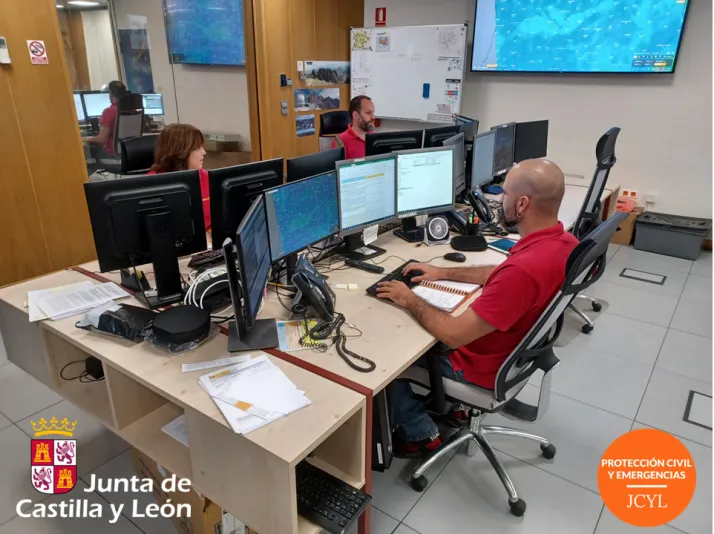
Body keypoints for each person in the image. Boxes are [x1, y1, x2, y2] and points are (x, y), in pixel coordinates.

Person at [376, 159, 579, 457]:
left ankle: (420, 433)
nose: (499, 200)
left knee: (386, 358)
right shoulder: (565, 243)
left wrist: (409, 298)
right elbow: (500, 274)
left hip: (477, 365)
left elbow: (453, 334)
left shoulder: (523, 271)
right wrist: (442, 272)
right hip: (513, 357)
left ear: (522, 204)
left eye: (505, 193)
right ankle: (454, 410)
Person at [147, 123, 211, 231]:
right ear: (181, 152)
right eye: (197, 148)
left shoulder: (207, 178)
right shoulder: (151, 185)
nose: (204, 152)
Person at [84, 81, 128, 158]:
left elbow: (101, 139)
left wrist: (83, 138)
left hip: (113, 153)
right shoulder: (130, 109)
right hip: (128, 151)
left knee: (86, 152)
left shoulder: (109, 111)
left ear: (110, 94)